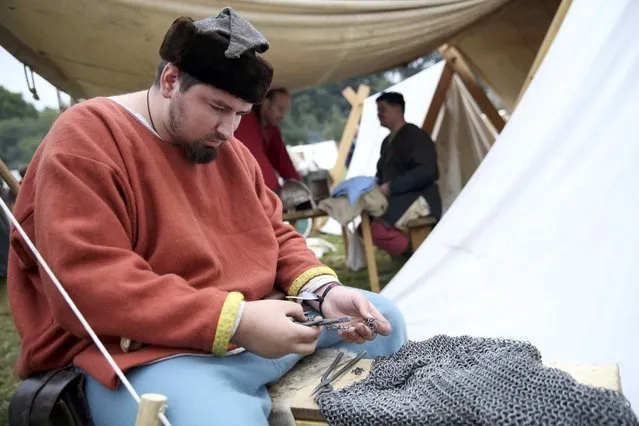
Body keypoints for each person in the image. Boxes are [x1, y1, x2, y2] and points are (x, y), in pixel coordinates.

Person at [6, 8, 406, 426]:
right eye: (217, 108)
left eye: (240, 114)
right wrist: (234, 320)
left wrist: (324, 292)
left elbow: (276, 233)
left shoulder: (229, 152)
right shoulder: (86, 141)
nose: (229, 130)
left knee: (383, 321)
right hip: (147, 353)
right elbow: (90, 284)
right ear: (170, 81)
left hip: (257, 330)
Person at [372, 91, 442, 258]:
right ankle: (415, 256)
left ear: (397, 109)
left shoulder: (415, 135)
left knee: (378, 230)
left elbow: (427, 171)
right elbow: (381, 173)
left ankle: (416, 258)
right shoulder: (386, 142)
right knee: (364, 227)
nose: (379, 114)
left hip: (420, 197)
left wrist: (392, 186)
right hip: (399, 198)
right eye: (377, 110)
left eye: (383, 109)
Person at [234, 87, 302, 193]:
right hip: (252, 188)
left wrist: (299, 188)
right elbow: (254, 158)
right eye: (280, 109)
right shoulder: (246, 121)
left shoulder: (272, 128)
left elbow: (283, 160)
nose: (283, 116)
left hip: (265, 188)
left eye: (285, 110)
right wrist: (274, 192)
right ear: (266, 104)